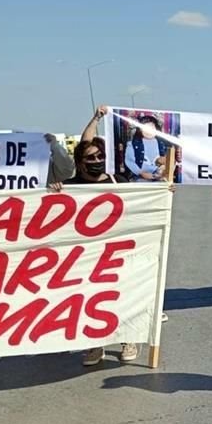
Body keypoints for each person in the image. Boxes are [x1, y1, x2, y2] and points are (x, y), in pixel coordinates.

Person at [48, 127, 140, 366]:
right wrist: (53, 192)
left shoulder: (119, 182)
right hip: (86, 256)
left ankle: (127, 339)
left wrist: (164, 192)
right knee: (89, 299)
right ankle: (93, 344)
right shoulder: (70, 186)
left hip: (117, 251)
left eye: (100, 157)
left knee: (121, 296)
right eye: (90, 158)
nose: (97, 161)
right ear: (80, 163)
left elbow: (142, 204)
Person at [124, 114, 167, 182]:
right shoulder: (132, 144)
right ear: (140, 130)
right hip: (140, 177)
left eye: (152, 128)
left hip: (159, 176)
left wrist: (162, 170)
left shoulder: (161, 144)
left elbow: (166, 160)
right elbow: (129, 161)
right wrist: (140, 173)